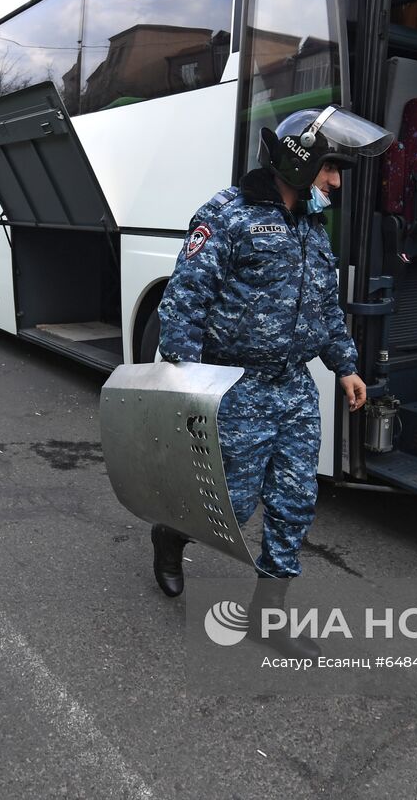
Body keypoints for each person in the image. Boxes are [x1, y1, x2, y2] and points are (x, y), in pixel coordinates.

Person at [151, 105, 392, 650]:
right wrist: (188, 387)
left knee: (295, 500)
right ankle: (171, 532)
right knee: (230, 504)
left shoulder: (312, 225)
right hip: (234, 387)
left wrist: (346, 366)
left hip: (293, 388)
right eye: (330, 168)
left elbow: (324, 306)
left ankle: (269, 613)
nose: (334, 182)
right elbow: (183, 305)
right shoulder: (228, 215)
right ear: (301, 161)